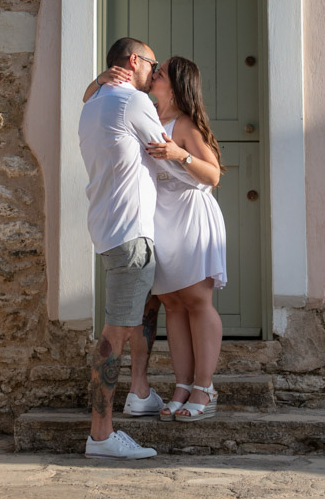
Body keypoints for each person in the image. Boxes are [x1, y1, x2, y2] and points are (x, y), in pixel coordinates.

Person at [77, 37, 169, 460]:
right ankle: (101, 436)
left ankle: (139, 393)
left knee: (139, 312)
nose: (155, 71)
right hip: (130, 232)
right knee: (115, 333)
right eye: (152, 63)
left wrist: (98, 80)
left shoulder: (93, 102)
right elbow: (163, 150)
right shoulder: (133, 101)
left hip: (111, 228)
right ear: (134, 61)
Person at [144, 56, 227, 422]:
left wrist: (180, 155)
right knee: (172, 303)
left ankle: (204, 388)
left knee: (196, 300)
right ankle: (181, 386)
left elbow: (213, 175)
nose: (153, 74)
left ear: (176, 86)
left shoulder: (185, 124)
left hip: (190, 214)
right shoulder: (148, 117)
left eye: (160, 72)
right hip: (161, 215)